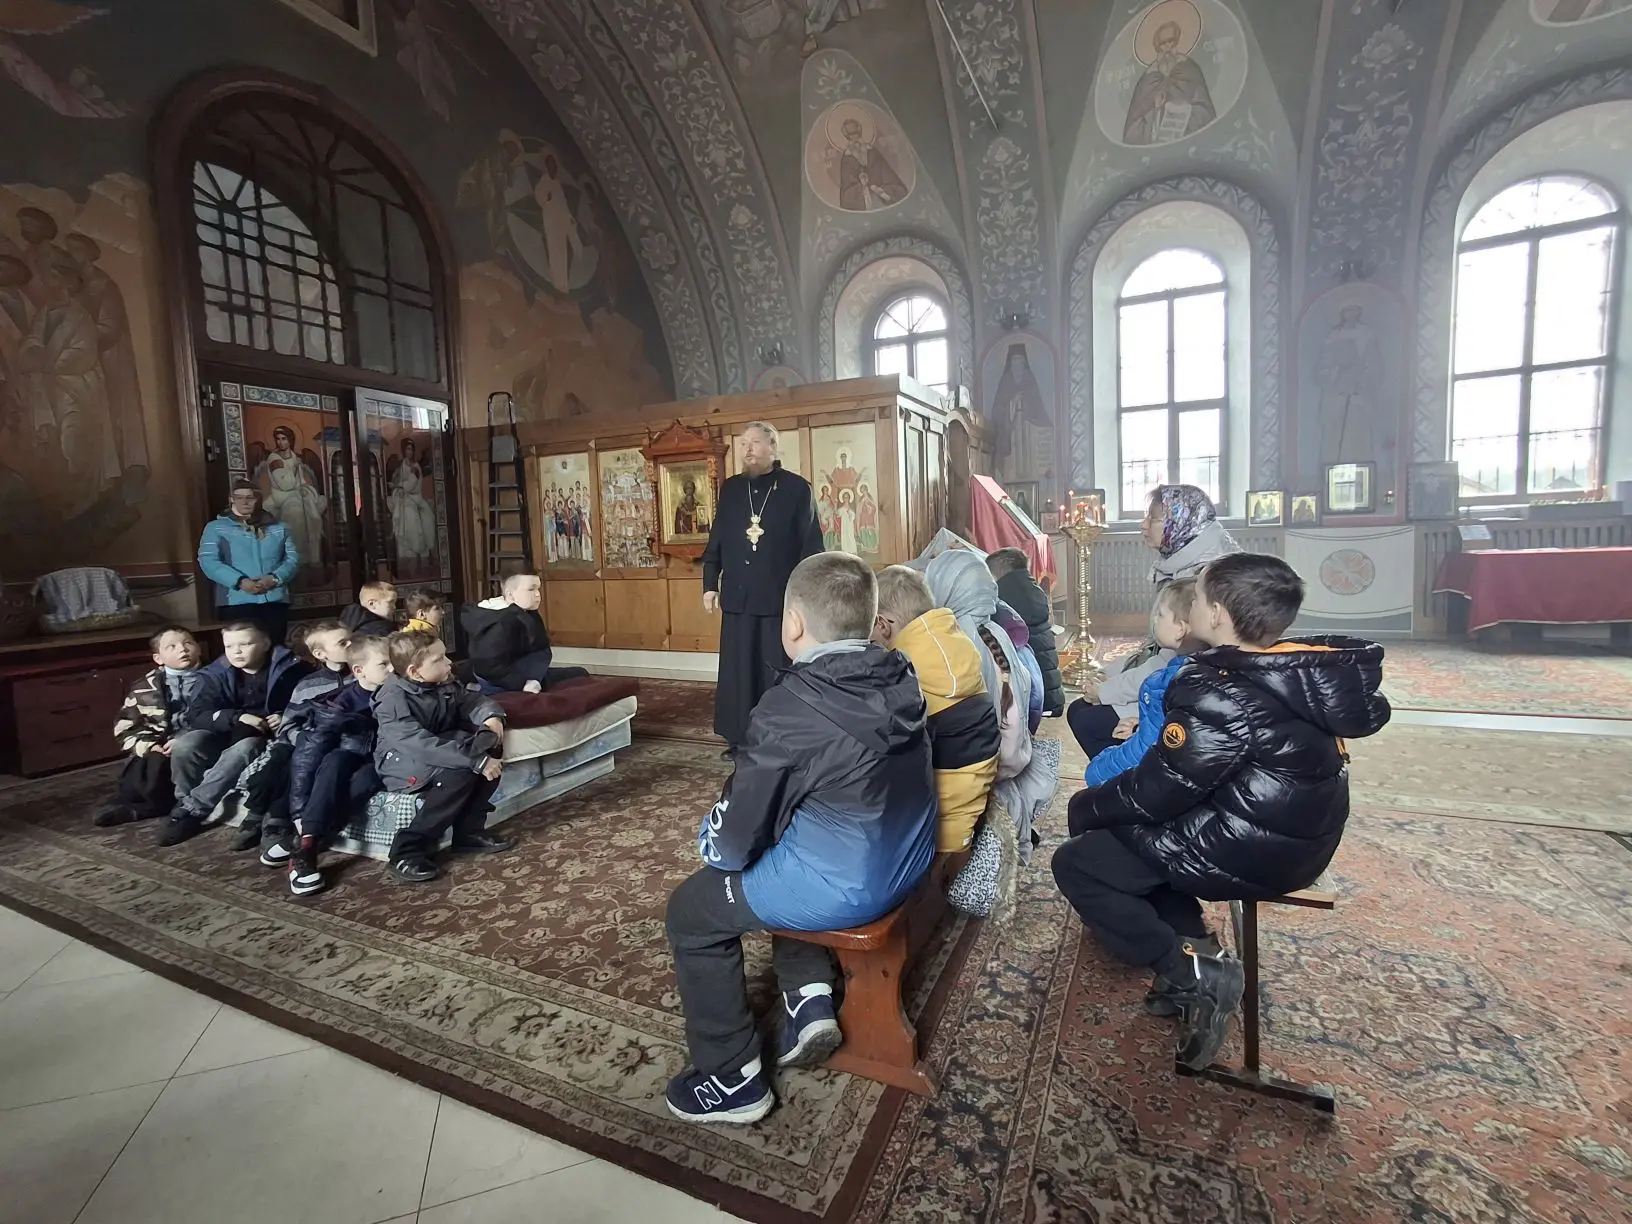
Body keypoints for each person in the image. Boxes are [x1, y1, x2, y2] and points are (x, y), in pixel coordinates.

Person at [1052, 554, 1391, 1070]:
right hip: (1296, 834)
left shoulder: (1220, 687)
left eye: (1199, 596)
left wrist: (1087, 804)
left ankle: (1191, 974)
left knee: (1079, 861)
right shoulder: (1290, 667)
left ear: (1216, 614)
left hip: (1255, 845)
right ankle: (1197, 951)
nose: (1192, 603)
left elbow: (1160, 790)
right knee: (1135, 842)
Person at [664, 553, 936, 1125]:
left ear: (792, 623)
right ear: (873, 620)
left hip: (850, 885)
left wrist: (711, 843)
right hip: (909, 859)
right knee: (792, 834)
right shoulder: (901, 672)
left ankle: (730, 1077)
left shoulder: (790, 708)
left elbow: (735, 840)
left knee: (691, 910)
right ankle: (808, 996)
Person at [1067, 485, 1237, 761]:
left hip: (1193, 697)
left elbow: (1174, 664)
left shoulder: (1204, 578)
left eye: (1152, 518)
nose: (1143, 524)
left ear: (1179, 523)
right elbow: (1155, 649)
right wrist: (1111, 675)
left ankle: (1133, 780)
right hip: (1173, 680)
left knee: (1088, 720)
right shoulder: (1180, 565)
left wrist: (1108, 690)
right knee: (1080, 710)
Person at [701, 421, 825, 752]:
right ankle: (739, 737)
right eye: (743, 444)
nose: (748, 450)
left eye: (755, 442)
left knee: (774, 670)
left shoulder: (797, 490)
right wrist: (710, 583)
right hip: (738, 598)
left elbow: (812, 548)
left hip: (779, 600)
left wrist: (808, 596)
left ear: (772, 446)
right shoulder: (731, 489)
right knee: (738, 673)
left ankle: (778, 738)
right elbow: (718, 538)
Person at [871, 565, 999, 854]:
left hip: (942, 826)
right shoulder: (957, 642)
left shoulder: (904, 669)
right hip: (976, 798)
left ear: (883, 625)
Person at [375, 630, 513, 884]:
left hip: (438, 746)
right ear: (415, 672)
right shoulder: (392, 699)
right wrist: (474, 761)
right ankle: (407, 851)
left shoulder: (441, 681)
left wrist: (491, 716)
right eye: (438, 659)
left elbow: (471, 700)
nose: (449, 662)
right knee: (460, 772)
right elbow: (419, 745)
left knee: (490, 746)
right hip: (403, 760)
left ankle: (468, 832)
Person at [157, 622, 312, 846]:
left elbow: (308, 703)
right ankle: (182, 805)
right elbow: (197, 715)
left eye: (245, 644)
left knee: (244, 748)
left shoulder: (292, 669)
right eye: (229, 646)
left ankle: (194, 810)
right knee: (186, 743)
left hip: (267, 736)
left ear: (265, 644)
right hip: (227, 730)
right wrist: (236, 717)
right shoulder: (215, 673)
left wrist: (284, 716)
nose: (236, 652)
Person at [285, 637, 392, 897]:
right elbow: (310, 753)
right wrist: (299, 813)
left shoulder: (397, 692)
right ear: (359, 670)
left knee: (368, 778)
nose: (392, 669)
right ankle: (308, 842)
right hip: (349, 754)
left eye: (393, 663)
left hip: (382, 760)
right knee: (334, 761)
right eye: (383, 664)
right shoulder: (340, 703)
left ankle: (309, 843)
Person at [247, 619, 354, 864]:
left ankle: (301, 828)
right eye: (343, 643)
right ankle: (273, 821)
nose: (351, 646)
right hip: (306, 741)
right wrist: (306, 741)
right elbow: (288, 724)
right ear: (320, 654)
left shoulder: (360, 677)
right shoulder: (308, 685)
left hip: (340, 744)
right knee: (291, 764)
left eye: (352, 640)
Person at [1081, 580, 1196, 788]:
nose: (1154, 621)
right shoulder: (1180, 661)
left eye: (1160, 615)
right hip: (1156, 759)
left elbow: (1147, 746)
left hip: (1157, 783)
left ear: (1180, 629)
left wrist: (1096, 773)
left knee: (1088, 723)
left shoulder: (1177, 675)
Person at [96, 626, 204, 828]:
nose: (182, 649)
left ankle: (150, 808)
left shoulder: (214, 678)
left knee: (183, 755)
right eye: (171, 647)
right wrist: (149, 745)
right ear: (158, 658)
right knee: (144, 768)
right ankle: (142, 805)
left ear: (199, 648)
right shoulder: (144, 687)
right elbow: (125, 727)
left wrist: (185, 738)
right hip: (160, 745)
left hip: (198, 741)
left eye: (188, 643)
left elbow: (219, 715)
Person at [196, 479, 299, 645]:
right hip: (235, 601)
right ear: (231, 499)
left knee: (275, 648)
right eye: (239, 497)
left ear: (259, 499)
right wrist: (240, 582)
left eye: (250, 497)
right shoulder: (216, 528)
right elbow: (208, 560)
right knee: (243, 648)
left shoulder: (280, 528)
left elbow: (293, 559)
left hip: (275, 600)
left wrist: (274, 578)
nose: (245, 501)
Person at [460, 573, 587, 693]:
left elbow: (540, 647)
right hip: (502, 681)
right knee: (577, 678)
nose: (538, 594)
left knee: (580, 673)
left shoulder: (526, 611)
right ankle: (481, 689)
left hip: (523, 671)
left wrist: (535, 676)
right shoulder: (502, 621)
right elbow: (488, 667)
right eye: (531, 589)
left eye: (538, 589)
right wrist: (523, 684)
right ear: (510, 594)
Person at [986, 548, 1064, 717]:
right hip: (1050, 690)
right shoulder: (1032, 588)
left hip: (1033, 693)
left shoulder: (1005, 594)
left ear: (998, 571)